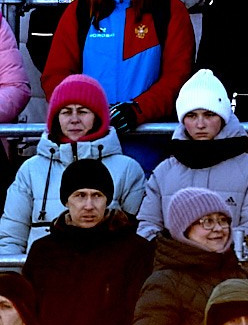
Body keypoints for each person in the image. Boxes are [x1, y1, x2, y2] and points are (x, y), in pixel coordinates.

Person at [40, 0, 194, 150]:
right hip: (89, 142)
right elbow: (56, 76)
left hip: (148, 141)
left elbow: (177, 77)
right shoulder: (80, 11)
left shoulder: (168, 10)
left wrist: (137, 111)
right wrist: (84, 112)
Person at [21, 159, 150, 325]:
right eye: (80, 195)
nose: (89, 205)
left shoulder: (135, 250)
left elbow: (137, 316)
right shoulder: (43, 251)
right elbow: (29, 313)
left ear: (107, 199)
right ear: (66, 201)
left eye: (97, 196)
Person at [0, 75, 144, 255]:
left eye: (83, 111)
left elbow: (138, 237)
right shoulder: (30, 169)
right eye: (66, 112)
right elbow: (10, 238)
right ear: (55, 118)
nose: (74, 119)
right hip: (42, 277)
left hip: (106, 278)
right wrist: (14, 281)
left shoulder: (127, 169)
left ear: (97, 116)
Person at [131, 185, 248, 325]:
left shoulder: (241, 274)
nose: (218, 228)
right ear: (183, 229)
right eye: (207, 221)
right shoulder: (165, 282)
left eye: (223, 220)